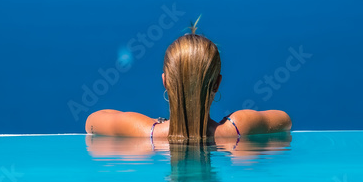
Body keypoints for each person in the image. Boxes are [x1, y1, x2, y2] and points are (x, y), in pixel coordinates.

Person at [84, 20, 292, 143]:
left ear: (165, 82)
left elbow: (92, 121)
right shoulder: (238, 129)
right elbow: (285, 120)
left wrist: (154, 124)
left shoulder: (148, 133)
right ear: (217, 83)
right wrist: (230, 122)